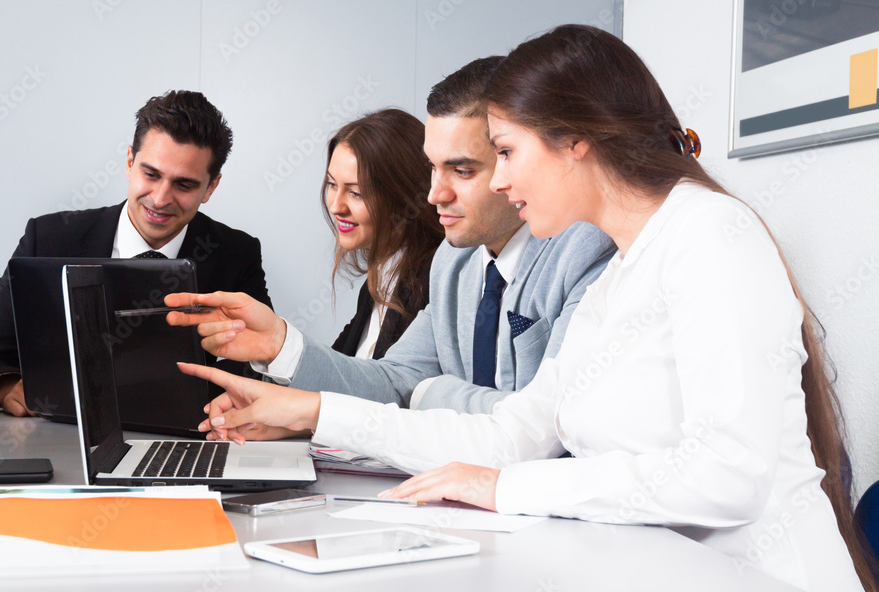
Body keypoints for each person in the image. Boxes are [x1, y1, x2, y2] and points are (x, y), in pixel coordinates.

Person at [178, 26, 875, 592]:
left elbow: (728, 472)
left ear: (577, 140)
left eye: (506, 152)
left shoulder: (711, 235)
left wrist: (507, 489)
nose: (502, 179)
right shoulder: (622, 275)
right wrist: (314, 411)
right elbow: (512, 435)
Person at [166, 57, 615, 422]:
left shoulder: (584, 251)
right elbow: (390, 382)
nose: (435, 193)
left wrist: (428, 395)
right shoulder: (452, 265)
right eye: (433, 168)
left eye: (461, 170)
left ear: (509, 158)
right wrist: (281, 346)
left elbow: (551, 421)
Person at [0, 90, 272, 417]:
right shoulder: (48, 239)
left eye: (184, 185)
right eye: (151, 174)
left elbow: (259, 372)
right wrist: (9, 388)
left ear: (211, 187)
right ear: (130, 162)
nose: (161, 199)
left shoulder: (237, 255)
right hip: (64, 440)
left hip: (186, 441)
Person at [322, 109, 443, 361]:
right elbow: (335, 370)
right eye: (332, 184)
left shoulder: (435, 283)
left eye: (356, 193)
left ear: (403, 196)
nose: (336, 206)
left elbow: (390, 387)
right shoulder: (380, 277)